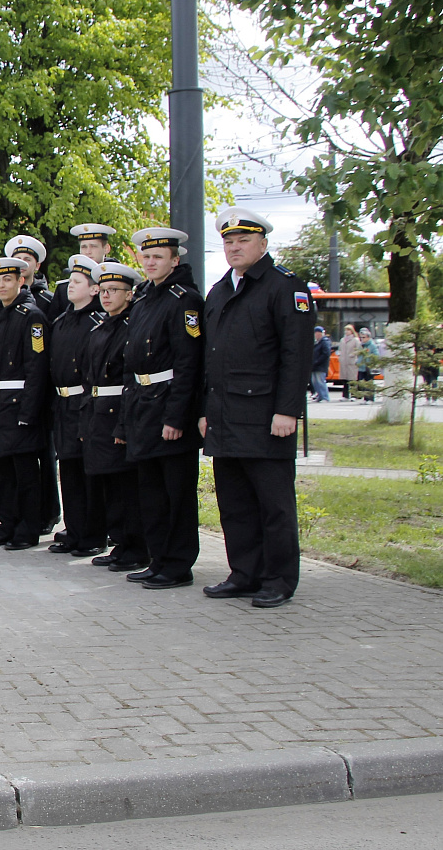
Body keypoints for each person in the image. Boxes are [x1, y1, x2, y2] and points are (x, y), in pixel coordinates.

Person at [200, 206, 310, 609]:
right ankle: (244, 573)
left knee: (274, 504)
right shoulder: (220, 290)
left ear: (263, 244)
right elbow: (208, 358)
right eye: (229, 242)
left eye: (243, 240)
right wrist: (204, 410)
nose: (234, 247)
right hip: (225, 416)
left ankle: (278, 578)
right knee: (235, 502)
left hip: (266, 417)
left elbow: (296, 355)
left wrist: (288, 410)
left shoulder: (284, 287)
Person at [118, 227, 204, 589]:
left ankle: (178, 564)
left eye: (158, 257)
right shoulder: (142, 297)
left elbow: (190, 363)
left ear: (175, 259)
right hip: (141, 405)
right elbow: (130, 361)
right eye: (146, 256)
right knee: (150, 492)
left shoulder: (185, 300)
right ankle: (158, 558)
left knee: (176, 493)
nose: (151, 262)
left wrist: (176, 417)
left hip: (168, 406)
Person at [0, 256, 50, 550]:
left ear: (21, 281)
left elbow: (37, 368)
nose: (2, 285)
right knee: (1, 472)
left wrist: (28, 411)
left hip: (20, 405)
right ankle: (6, 524)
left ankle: (27, 529)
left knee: (25, 474)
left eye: (8, 280)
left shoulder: (32, 317)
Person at [81, 261, 144, 567]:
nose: (106, 296)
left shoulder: (131, 328)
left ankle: (134, 546)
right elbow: (90, 379)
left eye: (114, 290)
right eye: (103, 290)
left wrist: (122, 424)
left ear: (129, 295)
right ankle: (119, 542)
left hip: (119, 412)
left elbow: (128, 379)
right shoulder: (98, 328)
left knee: (125, 486)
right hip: (97, 413)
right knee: (107, 483)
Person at [5, 233, 61, 537]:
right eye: (17, 261)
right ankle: (24, 513)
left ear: (36, 265)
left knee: (45, 456)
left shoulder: (46, 301)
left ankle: (49, 512)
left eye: (26, 260)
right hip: (17, 395)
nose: (22, 266)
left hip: (44, 389)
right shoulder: (4, 302)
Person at [46, 254, 100, 556]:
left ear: (94, 289)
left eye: (78, 282)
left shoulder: (95, 322)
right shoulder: (62, 321)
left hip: (84, 402)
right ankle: (75, 530)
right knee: (67, 471)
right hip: (63, 403)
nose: (71, 287)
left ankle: (93, 535)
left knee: (86, 472)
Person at [49, 223, 117, 319]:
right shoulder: (64, 289)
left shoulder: (116, 286)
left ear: (106, 248)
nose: (88, 251)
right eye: (84, 247)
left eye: (93, 246)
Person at [338, 324, 360, 400]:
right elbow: (340, 349)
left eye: (348, 330)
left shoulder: (355, 340)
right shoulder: (342, 340)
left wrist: (353, 354)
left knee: (352, 379)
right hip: (343, 362)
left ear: (352, 331)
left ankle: (354, 395)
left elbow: (359, 350)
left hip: (352, 362)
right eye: (346, 330)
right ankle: (345, 395)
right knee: (345, 380)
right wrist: (340, 356)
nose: (346, 332)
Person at [311, 326, 332, 402]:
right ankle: (320, 396)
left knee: (320, 381)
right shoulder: (317, 342)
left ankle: (325, 397)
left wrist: (317, 361)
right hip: (314, 365)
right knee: (314, 382)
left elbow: (326, 354)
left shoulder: (325, 341)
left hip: (320, 366)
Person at [357, 327, 379, 401]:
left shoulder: (372, 345)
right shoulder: (361, 345)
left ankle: (370, 398)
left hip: (368, 367)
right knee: (362, 383)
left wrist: (370, 362)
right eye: (361, 337)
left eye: (364, 337)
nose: (362, 339)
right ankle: (365, 398)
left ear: (368, 337)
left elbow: (376, 355)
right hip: (361, 367)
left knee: (369, 383)